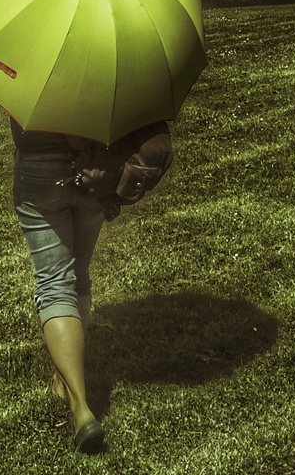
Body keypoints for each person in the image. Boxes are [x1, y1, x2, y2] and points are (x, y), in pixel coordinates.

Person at [10, 116, 174, 454]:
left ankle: (81, 408)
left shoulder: (34, 66)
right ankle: (63, 381)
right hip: (96, 170)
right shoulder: (118, 66)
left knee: (55, 283)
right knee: (78, 276)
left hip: (38, 169)